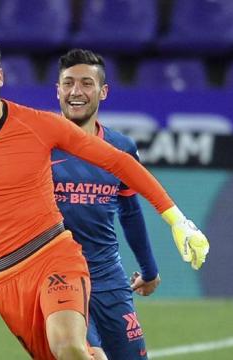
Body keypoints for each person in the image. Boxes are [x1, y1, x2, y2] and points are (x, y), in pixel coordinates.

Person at [0, 36, 210, 360]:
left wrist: (177, 219)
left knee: (68, 347)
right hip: (3, 280)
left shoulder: (38, 125)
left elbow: (119, 162)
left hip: (54, 255)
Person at [53, 49, 161, 360]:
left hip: (109, 278)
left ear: (103, 91)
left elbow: (129, 210)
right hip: (60, 279)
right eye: (68, 83)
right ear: (57, 90)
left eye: (86, 83)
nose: (76, 92)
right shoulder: (37, 145)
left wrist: (150, 270)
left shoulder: (121, 148)